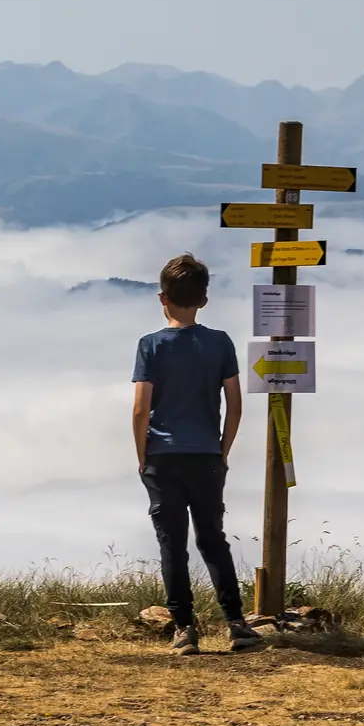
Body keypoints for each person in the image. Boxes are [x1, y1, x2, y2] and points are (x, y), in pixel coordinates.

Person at [131, 252, 264, 656]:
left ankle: (185, 628)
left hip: (162, 456)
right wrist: (222, 451)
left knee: (172, 542)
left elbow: (140, 408)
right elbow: (235, 404)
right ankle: (237, 623)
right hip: (206, 455)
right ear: (204, 300)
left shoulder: (150, 346)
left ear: (162, 298)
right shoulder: (219, 342)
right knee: (213, 539)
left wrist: (143, 456)